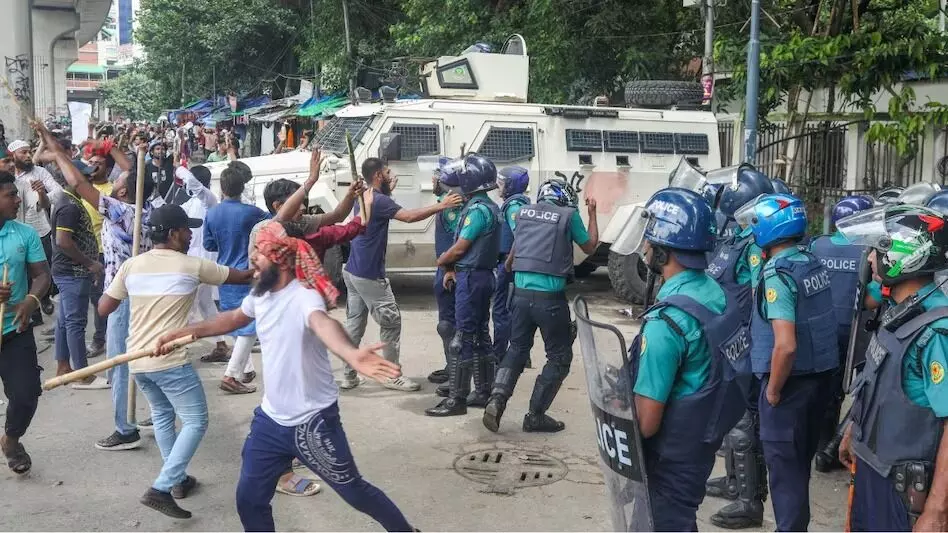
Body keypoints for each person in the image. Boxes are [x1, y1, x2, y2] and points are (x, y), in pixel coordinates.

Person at [154, 220, 417, 531]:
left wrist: (350, 353)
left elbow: (323, 324)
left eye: (259, 253)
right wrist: (184, 332)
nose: (253, 258)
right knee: (249, 499)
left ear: (278, 258)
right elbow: (231, 319)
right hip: (270, 422)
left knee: (355, 491)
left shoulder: (303, 296)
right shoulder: (260, 295)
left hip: (313, 422)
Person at [98, 204, 253, 518]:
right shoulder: (192, 266)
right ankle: (162, 487)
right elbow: (242, 277)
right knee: (196, 421)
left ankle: (178, 480)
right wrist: (264, 265)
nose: (191, 233)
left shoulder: (131, 266)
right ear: (173, 233)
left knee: (163, 415)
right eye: (186, 229)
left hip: (138, 360)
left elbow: (103, 308)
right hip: (169, 359)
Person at [622, 187, 746, 531]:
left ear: (663, 253)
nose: (645, 247)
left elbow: (645, 422)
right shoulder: (716, 293)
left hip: (670, 456)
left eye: (650, 240)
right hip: (703, 440)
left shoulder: (666, 324)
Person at [39, 123, 162, 451]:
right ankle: (156, 412)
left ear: (123, 191)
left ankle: (125, 429)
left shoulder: (121, 212)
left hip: (122, 297)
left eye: (119, 180)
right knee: (148, 356)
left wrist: (58, 151)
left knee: (119, 362)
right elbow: (134, 171)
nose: (115, 180)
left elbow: (77, 182)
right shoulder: (149, 210)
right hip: (147, 297)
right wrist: (110, 150)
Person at [837, 204, 948, 532]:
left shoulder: (936, 332)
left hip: (904, 490)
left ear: (906, 256)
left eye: (877, 250)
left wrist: (938, 511)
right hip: (875, 469)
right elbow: (879, 381)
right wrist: (853, 432)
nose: (870, 258)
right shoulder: (899, 310)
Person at [740, 193, 839, 531]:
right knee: (798, 468)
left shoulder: (777, 275)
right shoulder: (811, 262)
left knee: (786, 476)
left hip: (789, 387)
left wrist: (773, 391)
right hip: (819, 381)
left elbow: (785, 346)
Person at [483, 178, 598, 432]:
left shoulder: (524, 213)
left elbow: (510, 263)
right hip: (550, 301)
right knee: (559, 358)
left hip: (520, 297)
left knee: (517, 349)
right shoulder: (569, 215)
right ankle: (535, 415)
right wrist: (591, 214)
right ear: (565, 197)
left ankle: (497, 399)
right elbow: (589, 246)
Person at [340, 157, 461, 392]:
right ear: (377, 176)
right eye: (387, 172)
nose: (391, 174)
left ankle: (349, 375)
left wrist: (389, 192)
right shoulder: (380, 199)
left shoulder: (363, 195)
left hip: (352, 270)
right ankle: (391, 375)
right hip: (369, 273)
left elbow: (380, 210)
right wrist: (441, 205)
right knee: (391, 323)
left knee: (354, 324)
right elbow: (408, 216)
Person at [704, 170, 774, 529]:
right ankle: (733, 482)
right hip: (725, 338)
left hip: (743, 343)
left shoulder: (754, 245)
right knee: (729, 416)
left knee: (743, 424)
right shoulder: (734, 237)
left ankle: (749, 502)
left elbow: (761, 298)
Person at [426, 155, 501, 416]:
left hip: (470, 278)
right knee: (480, 335)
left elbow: (460, 247)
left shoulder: (477, 211)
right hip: (481, 276)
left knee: (462, 339)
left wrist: (443, 261)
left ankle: (456, 400)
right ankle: (483, 390)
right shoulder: (491, 207)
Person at [807, 194, 874, 473]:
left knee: (827, 388)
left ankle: (822, 445)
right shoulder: (867, 252)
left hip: (821, 329)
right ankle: (839, 448)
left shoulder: (817, 245)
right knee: (860, 390)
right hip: (857, 332)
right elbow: (872, 298)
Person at [0, 170, 52, 475]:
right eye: (10, 195)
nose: (17, 199)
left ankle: (11, 440)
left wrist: (31, 301)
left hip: (14, 330)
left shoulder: (25, 233)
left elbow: (42, 275)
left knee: (26, 393)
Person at [203, 161, 268, 394]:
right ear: (243, 187)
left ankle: (244, 369)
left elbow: (208, 243)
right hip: (248, 272)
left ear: (222, 188)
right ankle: (231, 374)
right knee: (249, 326)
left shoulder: (212, 213)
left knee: (237, 322)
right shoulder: (253, 213)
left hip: (225, 273)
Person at [49, 161, 106, 387]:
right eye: (84, 177)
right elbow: (64, 242)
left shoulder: (69, 201)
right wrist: (90, 263)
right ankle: (82, 374)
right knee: (75, 322)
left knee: (65, 320)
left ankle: (64, 366)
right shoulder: (69, 205)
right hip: (73, 272)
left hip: (70, 271)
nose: (88, 181)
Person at [177, 165, 230, 363]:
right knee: (206, 305)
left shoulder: (210, 200)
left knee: (187, 308)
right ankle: (221, 344)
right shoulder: (190, 203)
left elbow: (196, 187)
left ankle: (178, 347)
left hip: (204, 262)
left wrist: (181, 171)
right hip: (191, 261)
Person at [8, 139, 61, 322]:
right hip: (13, 230)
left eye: (30, 152)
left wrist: (41, 196)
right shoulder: (8, 176)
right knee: (21, 270)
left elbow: (59, 192)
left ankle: (44, 298)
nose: (28, 156)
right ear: (13, 155)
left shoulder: (40, 173)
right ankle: (33, 311)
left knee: (41, 269)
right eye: (23, 152)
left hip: (39, 229)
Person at [427, 159, 462, 387]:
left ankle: (457, 371)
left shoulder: (452, 205)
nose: (432, 180)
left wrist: (449, 269)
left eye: (437, 176)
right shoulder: (447, 201)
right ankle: (453, 367)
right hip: (447, 269)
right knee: (447, 324)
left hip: (452, 271)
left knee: (451, 324)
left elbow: (452, 241)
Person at [493, 166, 530, 367]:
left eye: (502, 182)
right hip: (511, 262)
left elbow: (521, 236)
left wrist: (508, 263)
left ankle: (499, 355)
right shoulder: (518, 203)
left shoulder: (514, 206)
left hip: (509, 264)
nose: (498, 186)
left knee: (502, 310)